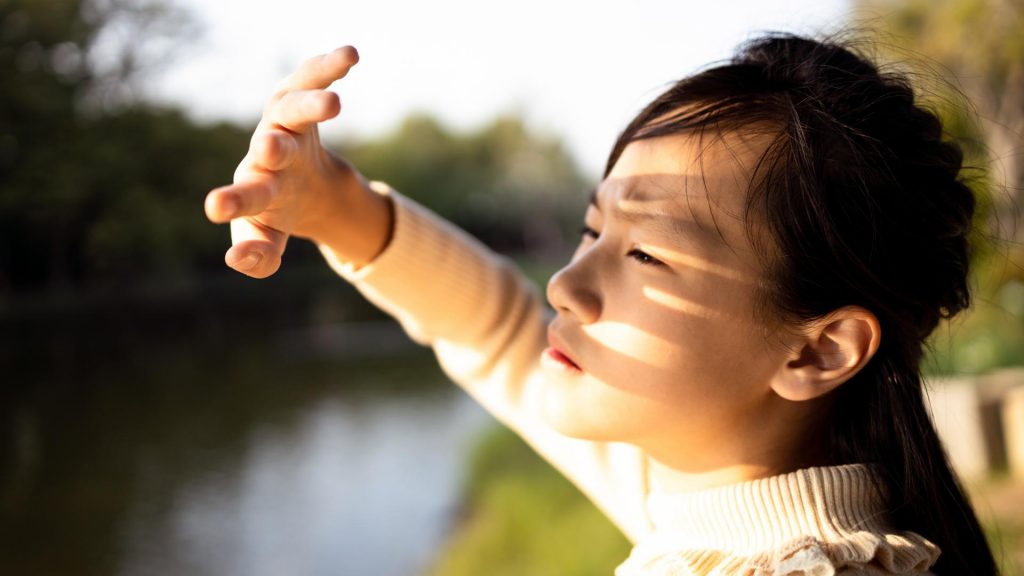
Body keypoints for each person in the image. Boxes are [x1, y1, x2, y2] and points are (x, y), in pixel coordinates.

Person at [204, 32, 999, 575]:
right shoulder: (697, 500)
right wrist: (334, 207)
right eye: (593, 229)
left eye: (645, 252)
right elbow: (497, 328)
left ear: (816, 350)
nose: (565, 286)